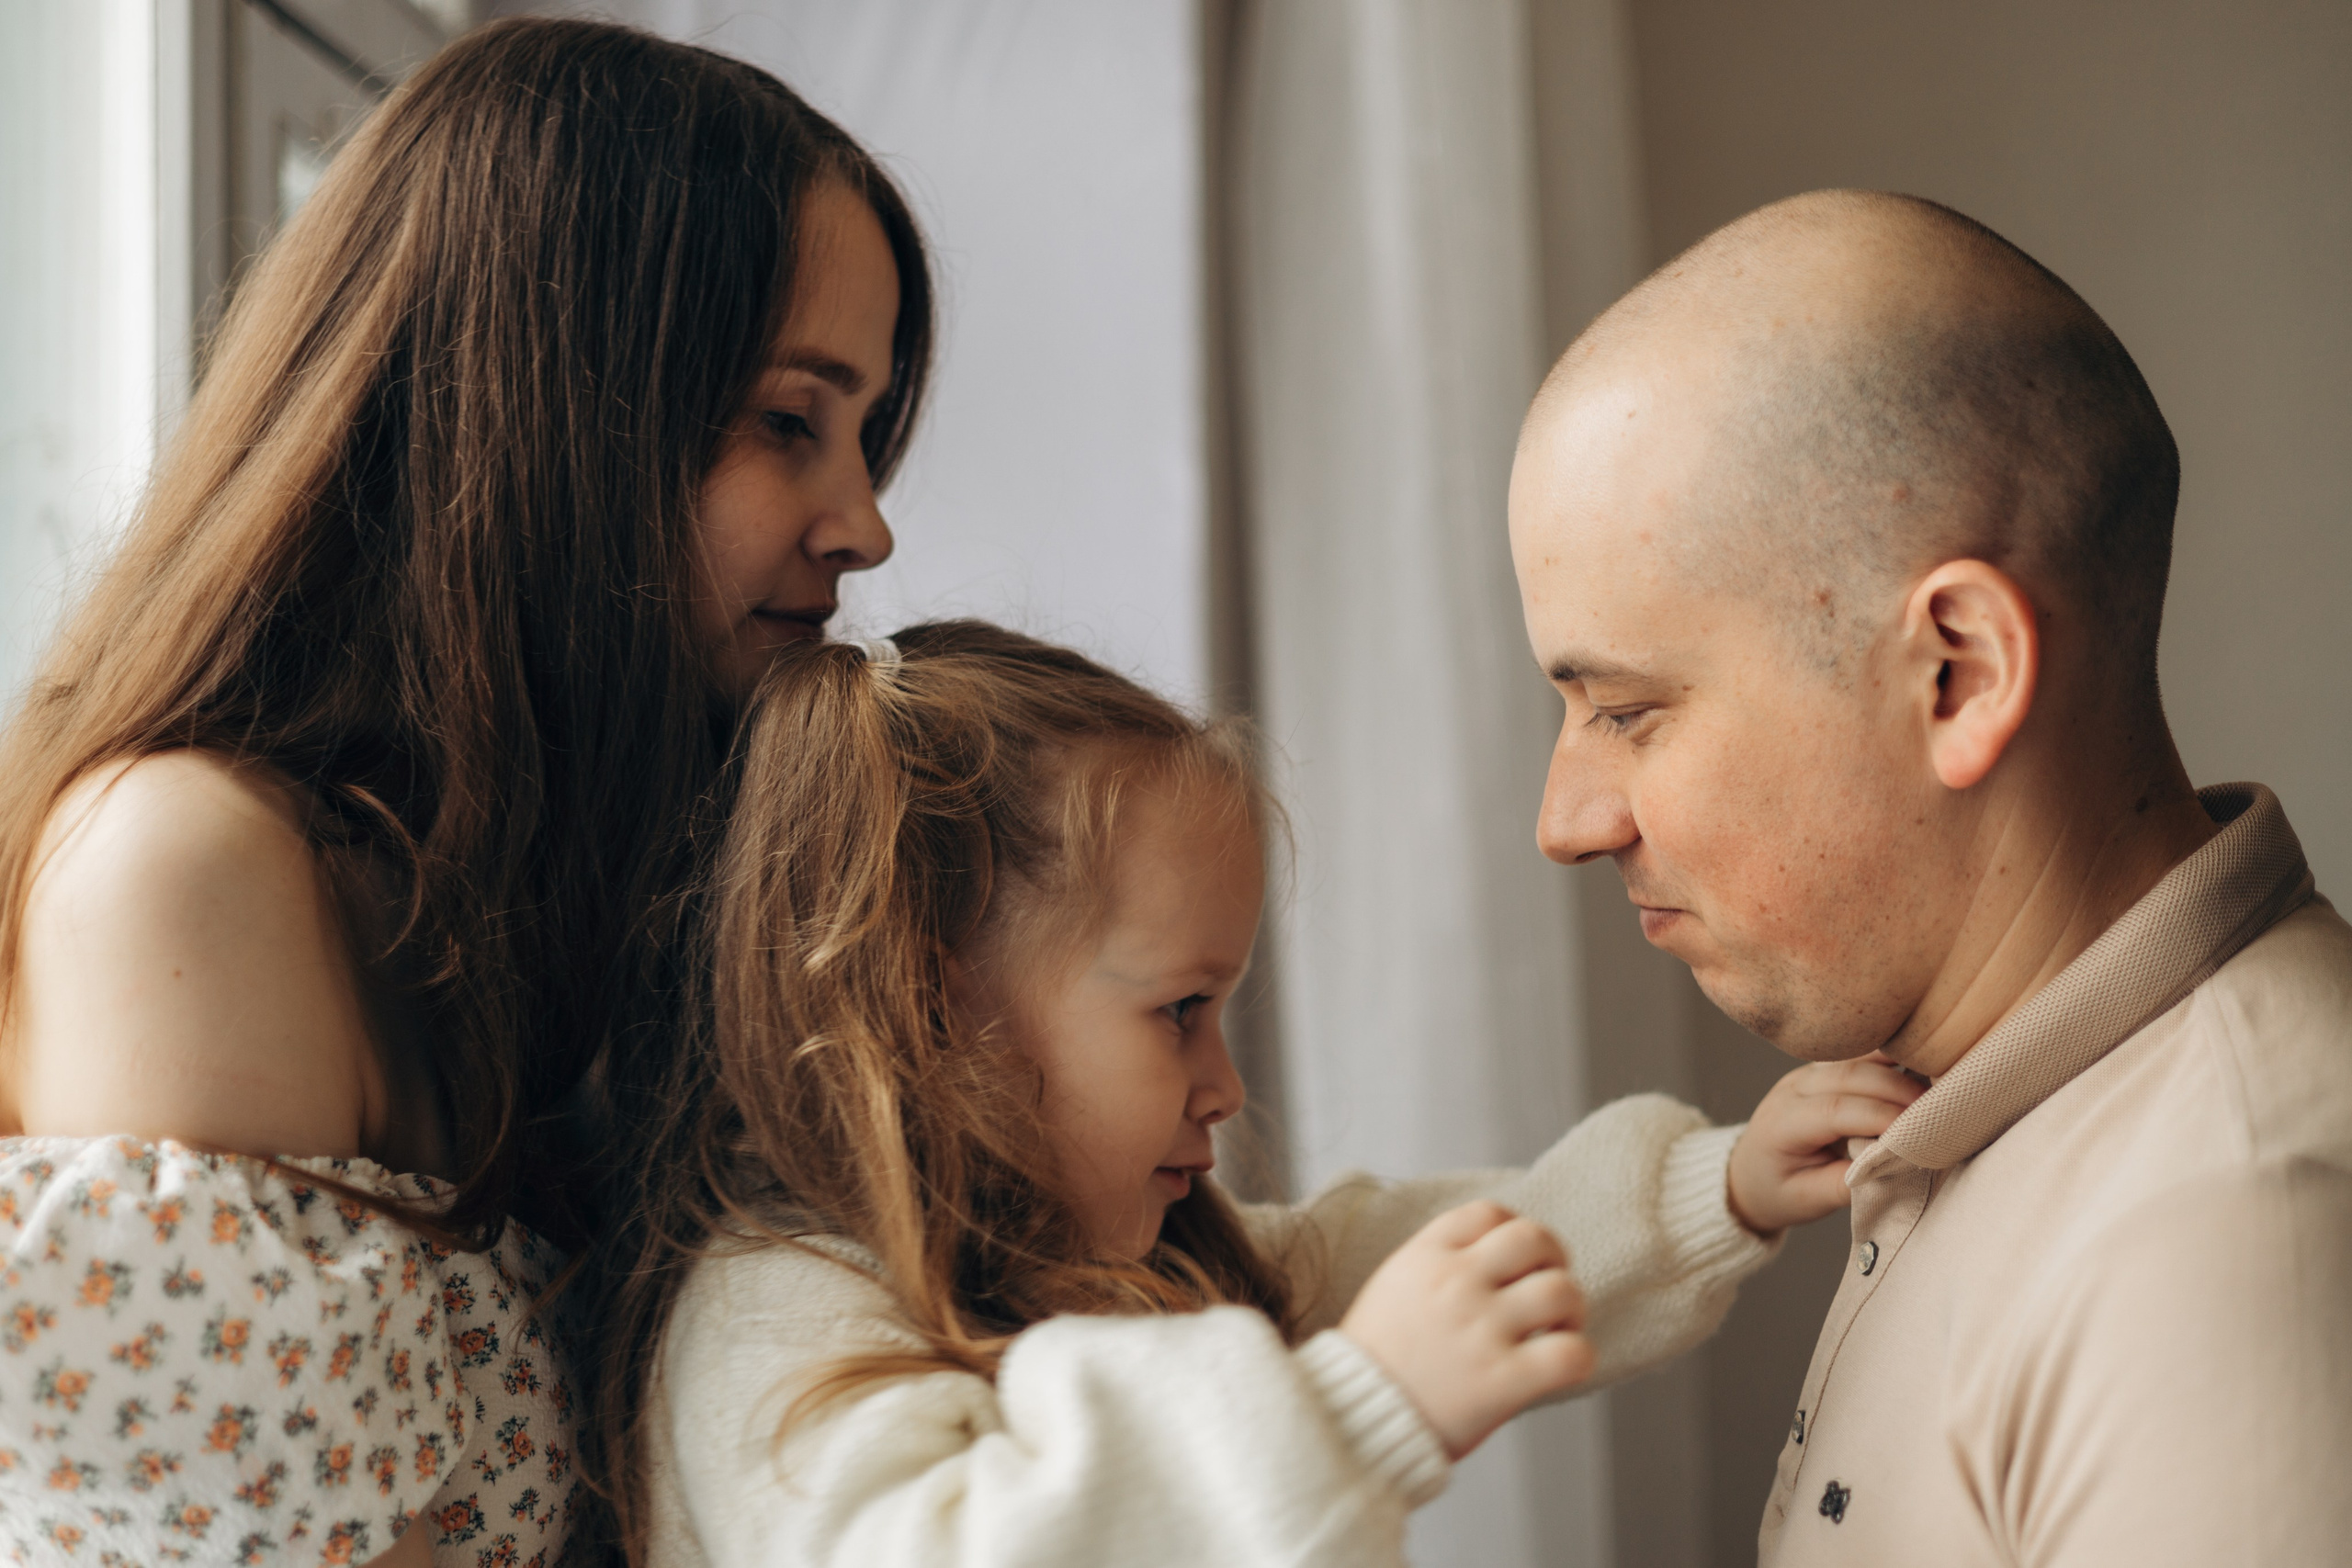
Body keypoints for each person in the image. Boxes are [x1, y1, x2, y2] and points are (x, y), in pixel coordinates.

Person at [0, 18, 932, 1567]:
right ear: (551, 399)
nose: (866, 528)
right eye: (789, 419)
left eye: (868, 434)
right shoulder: (189, 864)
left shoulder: (590, 875)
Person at [585, 620, 1924, 1568]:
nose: (1222, 1087)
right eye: (1179, 1013)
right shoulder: (777, 1316)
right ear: (937, 1013)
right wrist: (1358, 1406)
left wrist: (1720, 1186)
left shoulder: (1120, 1265)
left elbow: (1408, 1254)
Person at [1510, 188, 2352, 1565]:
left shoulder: (2228, 1253)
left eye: (1628, 709)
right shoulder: (2008, 1109)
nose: (1567, 820)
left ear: (1957, 674)